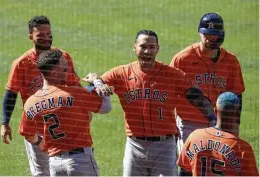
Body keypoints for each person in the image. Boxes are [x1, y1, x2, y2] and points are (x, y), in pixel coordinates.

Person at [84, 30, 216, 176]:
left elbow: (198, 98)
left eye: (152, 47)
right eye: (143, 46)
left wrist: (214, 121)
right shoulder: (122, 73)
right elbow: (92, 80)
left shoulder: (173, 75)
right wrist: (98, 83)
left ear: (157, 49)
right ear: (134, 47)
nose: (147, 51)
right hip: (135, 145)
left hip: (164, 146)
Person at [0, 15, 80, 176]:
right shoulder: (22, 63)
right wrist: (5, 123)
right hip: (36, 131)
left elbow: (74, 86)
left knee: (68, 170)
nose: (46, 38)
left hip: (65, 127)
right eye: (40, 35)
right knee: (42, 173)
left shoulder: (63, 57)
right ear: (31, 37)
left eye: (49, 34)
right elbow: (11, 93)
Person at [18, 49, 113, 176]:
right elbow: (106, 107)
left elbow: (27, 133)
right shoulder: (74, 93)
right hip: (80, 161)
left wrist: (41, 143)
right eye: (64, 69)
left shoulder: (31, 102)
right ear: (54, 73)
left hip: (55, 164)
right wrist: (97, 81)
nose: (67, 71)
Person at [170, 13, 245, 154]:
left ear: (221, 35)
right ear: (200, 33)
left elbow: (237, 95)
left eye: (214, 35)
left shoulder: (231, 61)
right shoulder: (182, 59)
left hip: (220, 124)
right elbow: (169, 93)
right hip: (189, 124)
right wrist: (170, 125)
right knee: (190, 167)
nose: (210, 39)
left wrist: (235, 125)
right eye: (207, 35)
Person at [178, 92, 259, 176]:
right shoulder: (242, 148)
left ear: (215, 111)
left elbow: (184, 172)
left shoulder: (194, 137)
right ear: (238, 114)